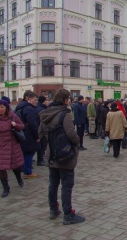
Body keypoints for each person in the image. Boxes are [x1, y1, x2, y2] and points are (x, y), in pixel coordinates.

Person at [38, 88, 85, 225]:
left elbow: (40, 133)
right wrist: (76, 142)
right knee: (67, 184)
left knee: (53, 183)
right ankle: (68, 214)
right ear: (65, 100)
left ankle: (53, 209)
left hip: (51, 153)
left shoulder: (45, 113)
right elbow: (71, 134)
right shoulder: (64, 115)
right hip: (65, 154)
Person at [0, 100, 25, 197]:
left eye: (2, 107)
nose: (0, 109)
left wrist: (15, 125)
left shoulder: (12, 116)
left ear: (6, 108)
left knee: (16, 166)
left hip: (13, 146)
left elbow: (22, 126)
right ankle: (6, 188)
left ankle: (19, 179)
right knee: (1, 168)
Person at [15, 91, 41, 178]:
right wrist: (37, 136)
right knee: (29, 153)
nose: (36, 101)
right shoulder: (29, 109)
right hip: (29, 135)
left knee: (25, 152)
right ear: (28, 99)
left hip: (23, 133)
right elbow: (33, 124)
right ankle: (28, 172)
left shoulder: (21, 107)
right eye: (35, 100)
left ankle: (25, 169)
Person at [35, 95, 49, 166]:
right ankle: (40, 160)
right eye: (46, 100)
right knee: (42, 145)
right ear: (43, 101)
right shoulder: (40, 109)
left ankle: (41, 158)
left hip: (41, 129)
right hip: (41, 129)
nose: (47, 101)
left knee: (43, 145)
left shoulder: (41, 107)